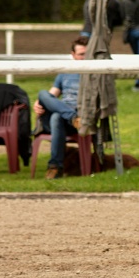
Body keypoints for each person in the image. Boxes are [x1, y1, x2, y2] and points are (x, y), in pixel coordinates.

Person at [32, 37, 88, 179]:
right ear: (73, 55)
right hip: (66, 116)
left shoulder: (95, 74)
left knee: (57, 116)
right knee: (42, 94)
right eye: (81, 54)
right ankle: (72, 117)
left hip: (80, 118)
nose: (84, 57)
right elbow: (51, 96)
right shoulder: (64, 73)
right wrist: (39, 103)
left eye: (87, 54)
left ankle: (55, 167)